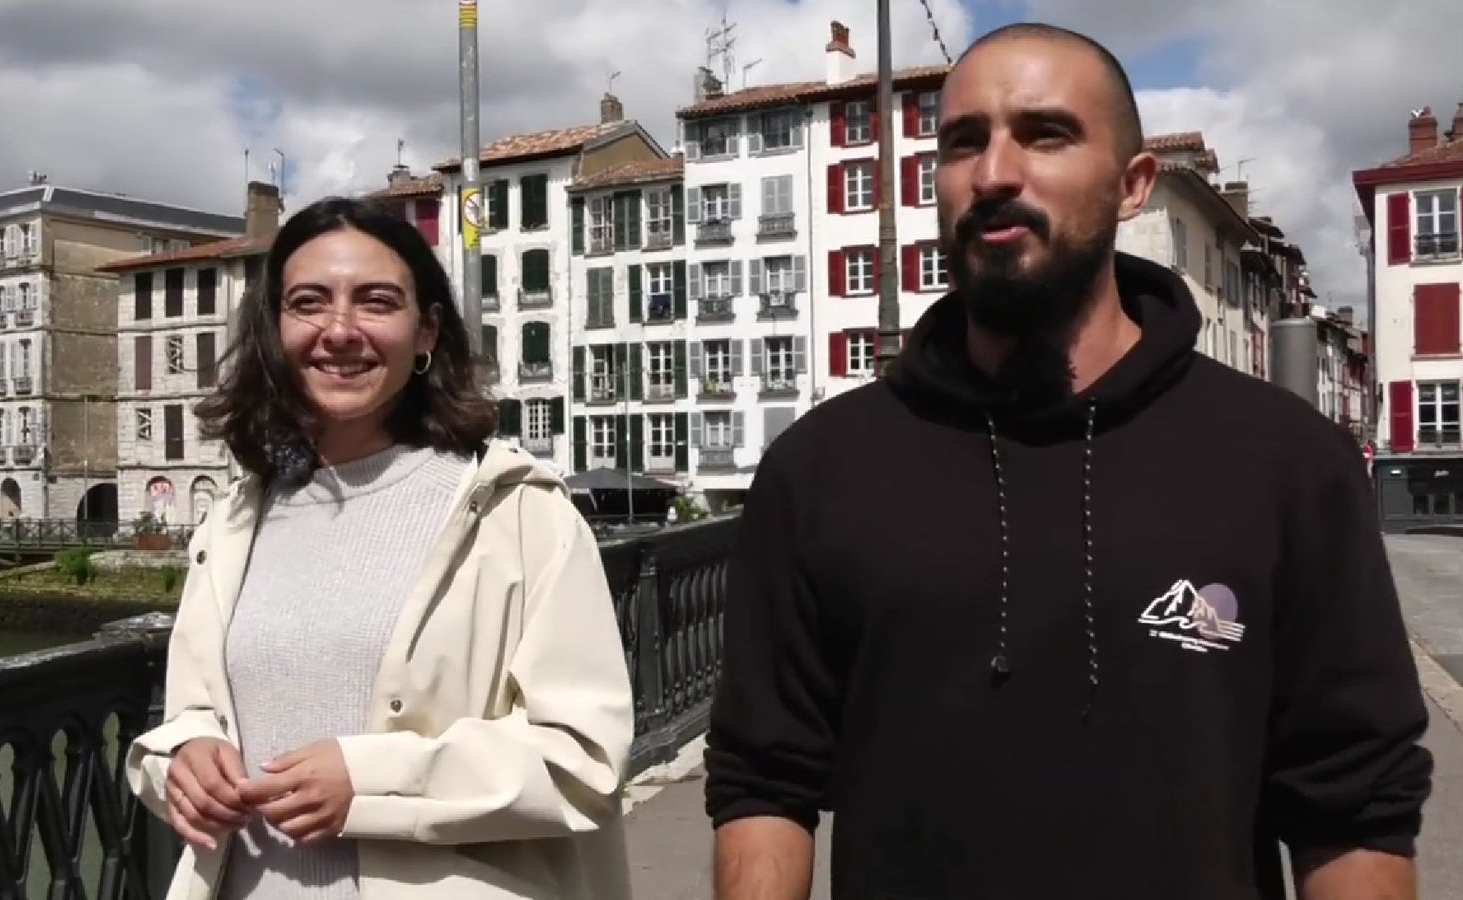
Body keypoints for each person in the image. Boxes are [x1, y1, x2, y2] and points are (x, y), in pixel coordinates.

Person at [704, 22, 1433, 900]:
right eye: (962, 142)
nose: (993, 173)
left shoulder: (1288, 464)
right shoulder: (818, 470)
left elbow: (1353, 806)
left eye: (1045, 134)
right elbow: (764, 782)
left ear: (1132, 186)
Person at [124, 197, 635, 900]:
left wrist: (369, 781)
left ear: (426, 331)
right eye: (308, 303)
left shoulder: (520, 513)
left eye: (376, 302)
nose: (339, 331)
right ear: (274, 329)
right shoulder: (234, 522)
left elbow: (584, 761)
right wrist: (181, 756)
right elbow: (192, 715)